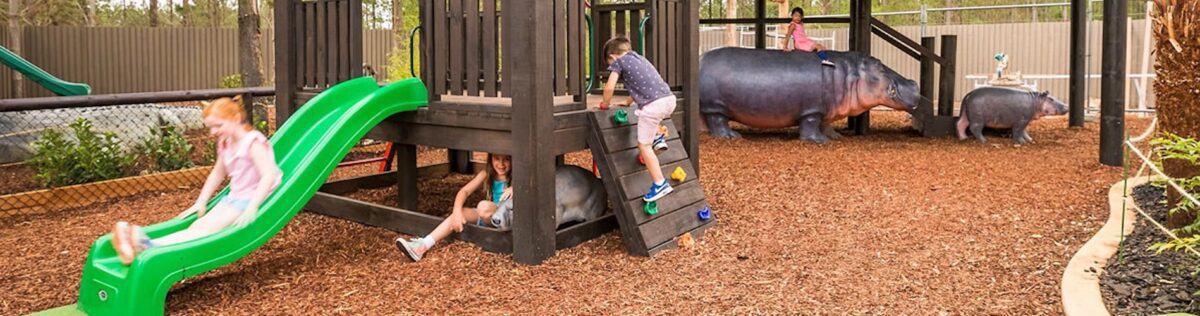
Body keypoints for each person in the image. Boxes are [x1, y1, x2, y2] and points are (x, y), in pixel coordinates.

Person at [110, 95, 282, 265]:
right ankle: (142, 241)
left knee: (208, 230)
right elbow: (217, 173)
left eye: (218, 126)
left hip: (254, 196)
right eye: (211, 127)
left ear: (236, 118)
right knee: (198, 226)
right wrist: (201, 202)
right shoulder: (226, 142)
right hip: (236, 196)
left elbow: (268, 175)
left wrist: (253, 207)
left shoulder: (253, 143)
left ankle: (148, 245)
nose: (213, 132)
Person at [600, 36, 675, 202]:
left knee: (644, 146)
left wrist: (605, 104)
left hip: (654, 106)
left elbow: (609, 87)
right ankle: (657, 137)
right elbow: (642, 84)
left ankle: (660, 183)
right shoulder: (639, 59)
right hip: (669, 100)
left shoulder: (618, 62)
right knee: (648, 116)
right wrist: (627, 102)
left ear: (612, 56)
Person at [396, 153, 512, 262]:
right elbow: (464, 191)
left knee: (483, 206)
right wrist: (456, 212)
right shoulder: (486, 173)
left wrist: (516, 188)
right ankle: (423, 246)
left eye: (506, 159)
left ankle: (497, 220)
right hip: (489, 215)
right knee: (463, 212)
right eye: (497, 158)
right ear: (490, 158)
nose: (501, 164)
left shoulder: (519, 176)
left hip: (506, 216)